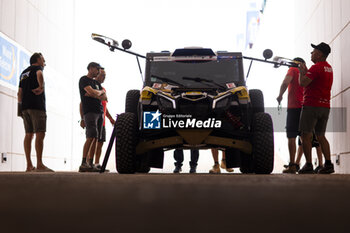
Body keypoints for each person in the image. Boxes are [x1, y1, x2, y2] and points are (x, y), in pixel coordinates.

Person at [277, 58, 324, 173]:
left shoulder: (293, 70)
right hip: (306, 108)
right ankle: (309, 164)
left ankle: (292, 165)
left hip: (294, 108)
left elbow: (285, 82)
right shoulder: (307, 72)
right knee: (305, 137)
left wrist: (280, 96)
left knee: (291, 136)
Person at [298, 42, 334, 174]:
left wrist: (302, 72)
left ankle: (308, 165)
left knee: (305, 135)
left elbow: (303, 83)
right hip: (325, 106)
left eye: (313, 51)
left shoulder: (316, 67)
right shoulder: (329, 68)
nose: (311, 54)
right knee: (321, 136)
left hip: (311, 106)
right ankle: (329, 164)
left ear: (319, 54)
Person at [17, 52, 53, 172]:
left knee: (28, 134)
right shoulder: (38, 68)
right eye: (43, 59)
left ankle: (29, 165)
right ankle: (39, 164)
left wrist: (20, 108)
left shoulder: (23, 73)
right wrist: (41, 87)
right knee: (40, 133)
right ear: (37, 60)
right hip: (37, 106)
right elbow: (39, 74)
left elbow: (19, 92)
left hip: (25, 107)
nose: (44, 62)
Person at [79, 62, 107, 172]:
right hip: (90, 112)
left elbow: (104, 97)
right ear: (91, 68)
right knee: (90, 136)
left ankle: (90, 164)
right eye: (97, 69)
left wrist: (96, 93)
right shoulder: (83, 80)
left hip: (100, 112)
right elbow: (91, 92)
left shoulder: (96, 83)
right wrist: (96, 93)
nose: (99, 71)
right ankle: (83, 163)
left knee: (96, 138)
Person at [92, 68, 115, 169]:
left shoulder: (103, 89)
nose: (104, 77)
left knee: (100, 143)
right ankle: (89, 163)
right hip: (94, 119)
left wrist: (110, 119)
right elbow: (82, 103)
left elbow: (105, 107)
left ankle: (97, 164)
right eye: (102, 75)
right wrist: (83, 118)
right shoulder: (92, 87)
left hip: (103, 121)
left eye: (105, 75)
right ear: (97, 74)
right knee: (92, 141)